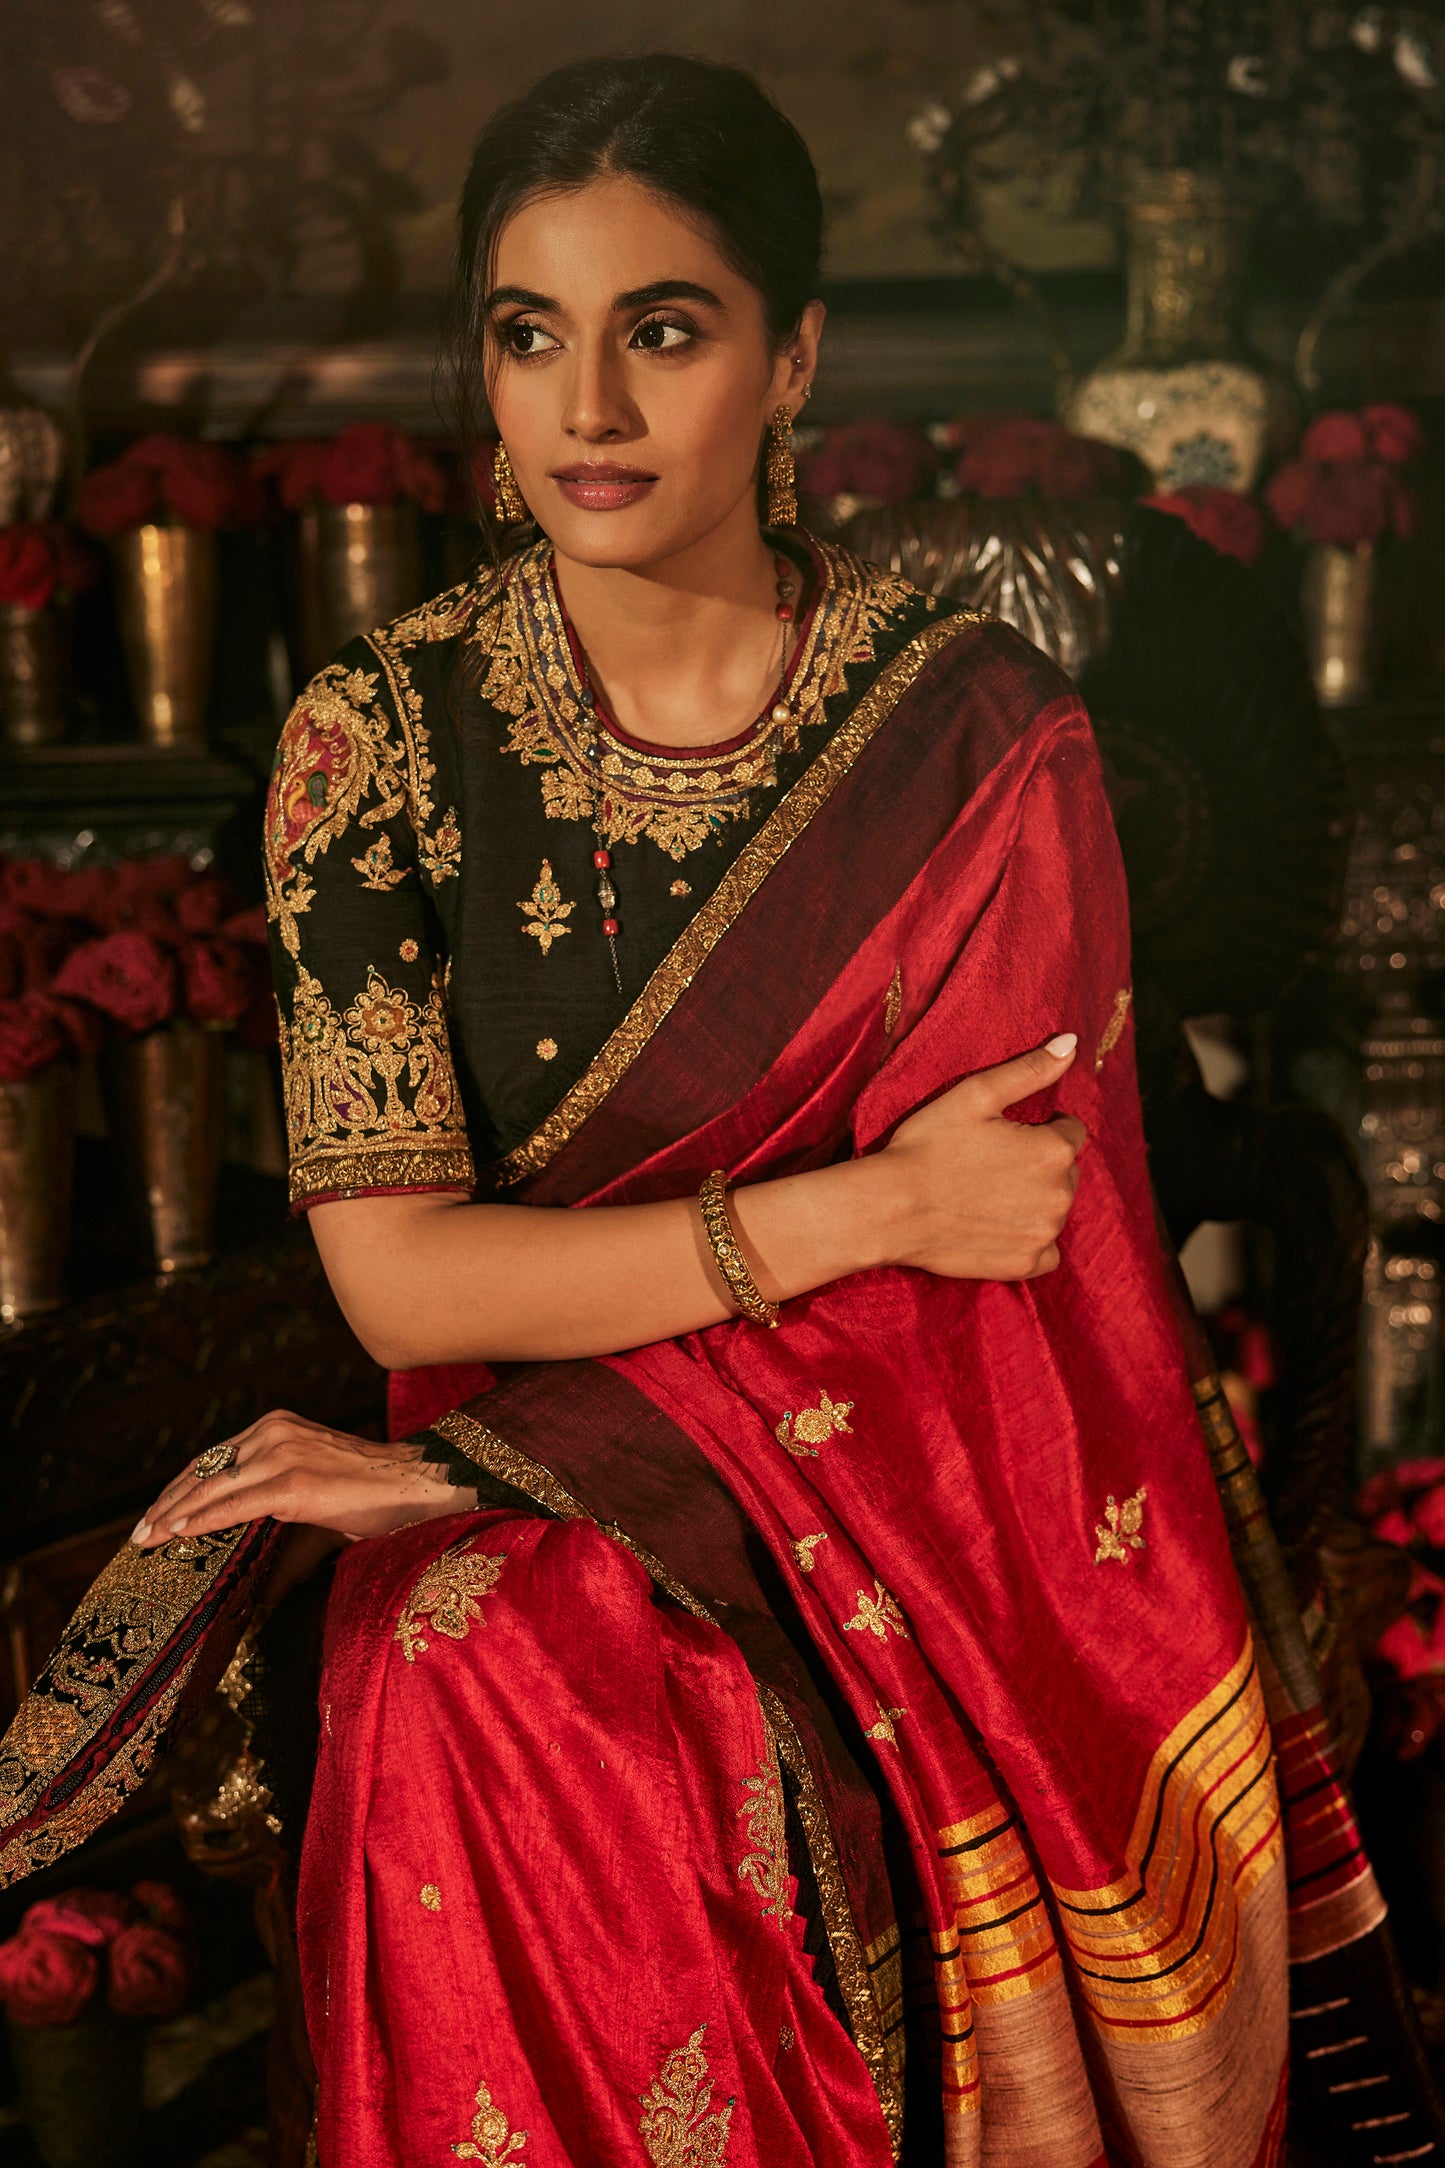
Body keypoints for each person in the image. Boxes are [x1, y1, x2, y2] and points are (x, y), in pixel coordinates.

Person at [0, 54, 1432, 2168]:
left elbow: (1017, 1271)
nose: (586, 405)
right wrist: (848, 1221)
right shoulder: (374, 749)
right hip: (514, 1441)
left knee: (529, 1653)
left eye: (661, 330)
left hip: (910, 1491)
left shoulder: (977, 753)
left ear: (794, 360)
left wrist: (850, 1252)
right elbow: (400, 1275)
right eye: (528, 334)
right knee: (465, 1653)